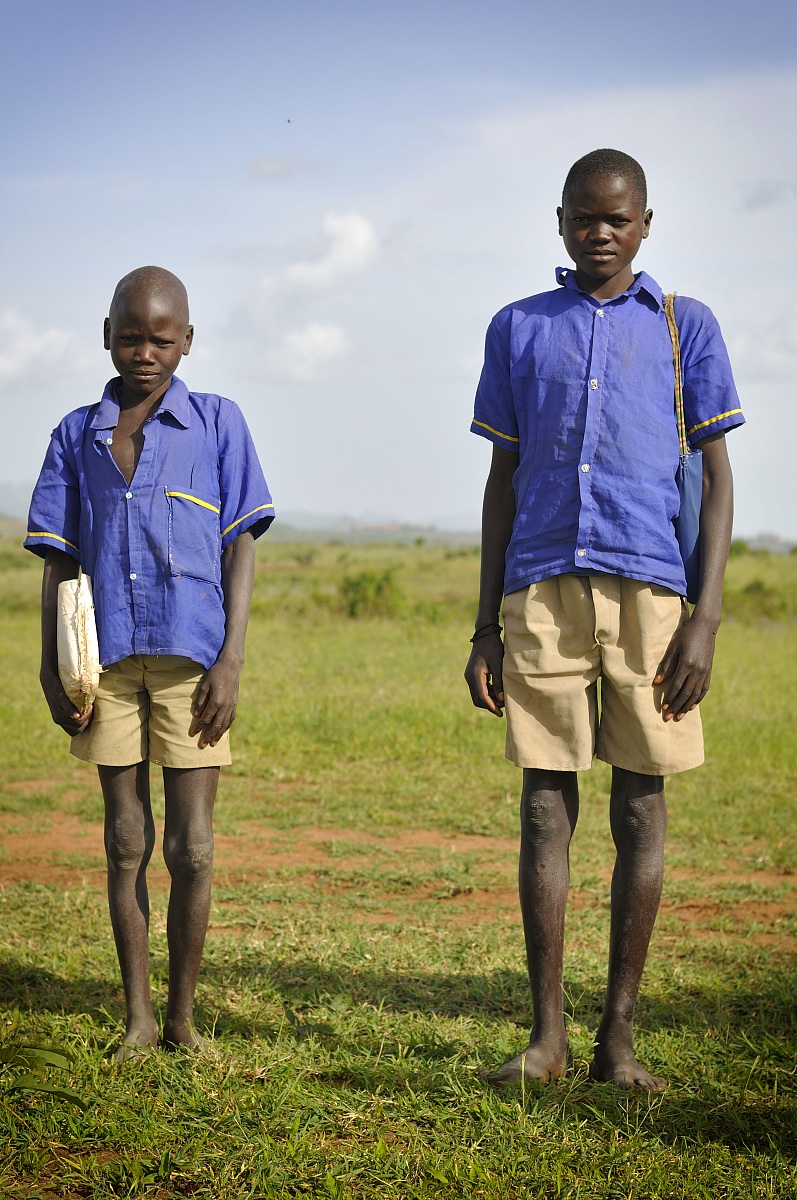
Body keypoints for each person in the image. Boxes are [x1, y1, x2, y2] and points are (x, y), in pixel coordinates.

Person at [464, 149, 743, 1091]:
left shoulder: (680, 328)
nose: (600, 232)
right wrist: (482, 628)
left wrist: (703, 620)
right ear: (559, 221)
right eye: (584, 217)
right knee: (545, 805)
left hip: (651, 596)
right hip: (538, 588)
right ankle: (546, 1040)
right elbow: (502, 481)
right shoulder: (518, 328)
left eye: (617, 219)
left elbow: (713, 485)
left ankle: (615, 1042)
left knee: (640, 805)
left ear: (645, 225)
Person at [26, 266, 274, 1060]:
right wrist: (49, 662)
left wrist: (231, 659)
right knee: (124, 839)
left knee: (191, 846)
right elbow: (59, 560)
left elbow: (240, 544)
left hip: (193, 666)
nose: (143, 352)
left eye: (160, 339)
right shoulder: (76, 435)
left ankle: (182, 1019)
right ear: (106, 336)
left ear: (187, 342)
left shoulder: (218, 423)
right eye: (129, 336)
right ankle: (137, 1018)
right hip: (104, 668)